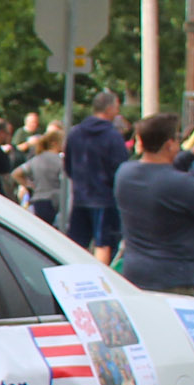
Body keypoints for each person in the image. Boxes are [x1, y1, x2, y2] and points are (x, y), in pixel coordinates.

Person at [113, 113, 194, 295]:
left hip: (136, 275)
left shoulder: (125, 173)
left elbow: (157, 174)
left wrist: (191, 154)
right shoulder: (183, 184)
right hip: (175, 281)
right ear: (169, 144)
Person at [65, 89, 129, 265]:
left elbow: (68, 165)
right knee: (104, 244)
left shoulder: (75, 133)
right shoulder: (113, 136)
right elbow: (120, 169)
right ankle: (101, 282)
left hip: (80, 196)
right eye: (116, 107)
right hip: (105, 198)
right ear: (109, 109)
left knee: (76, 245)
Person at [13, 129, 67, 228]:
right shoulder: (60, 161)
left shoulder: (36, 159)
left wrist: (30, 185)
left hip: (38, 200)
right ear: (55, 143)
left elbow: (16, 173)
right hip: (54, 201)